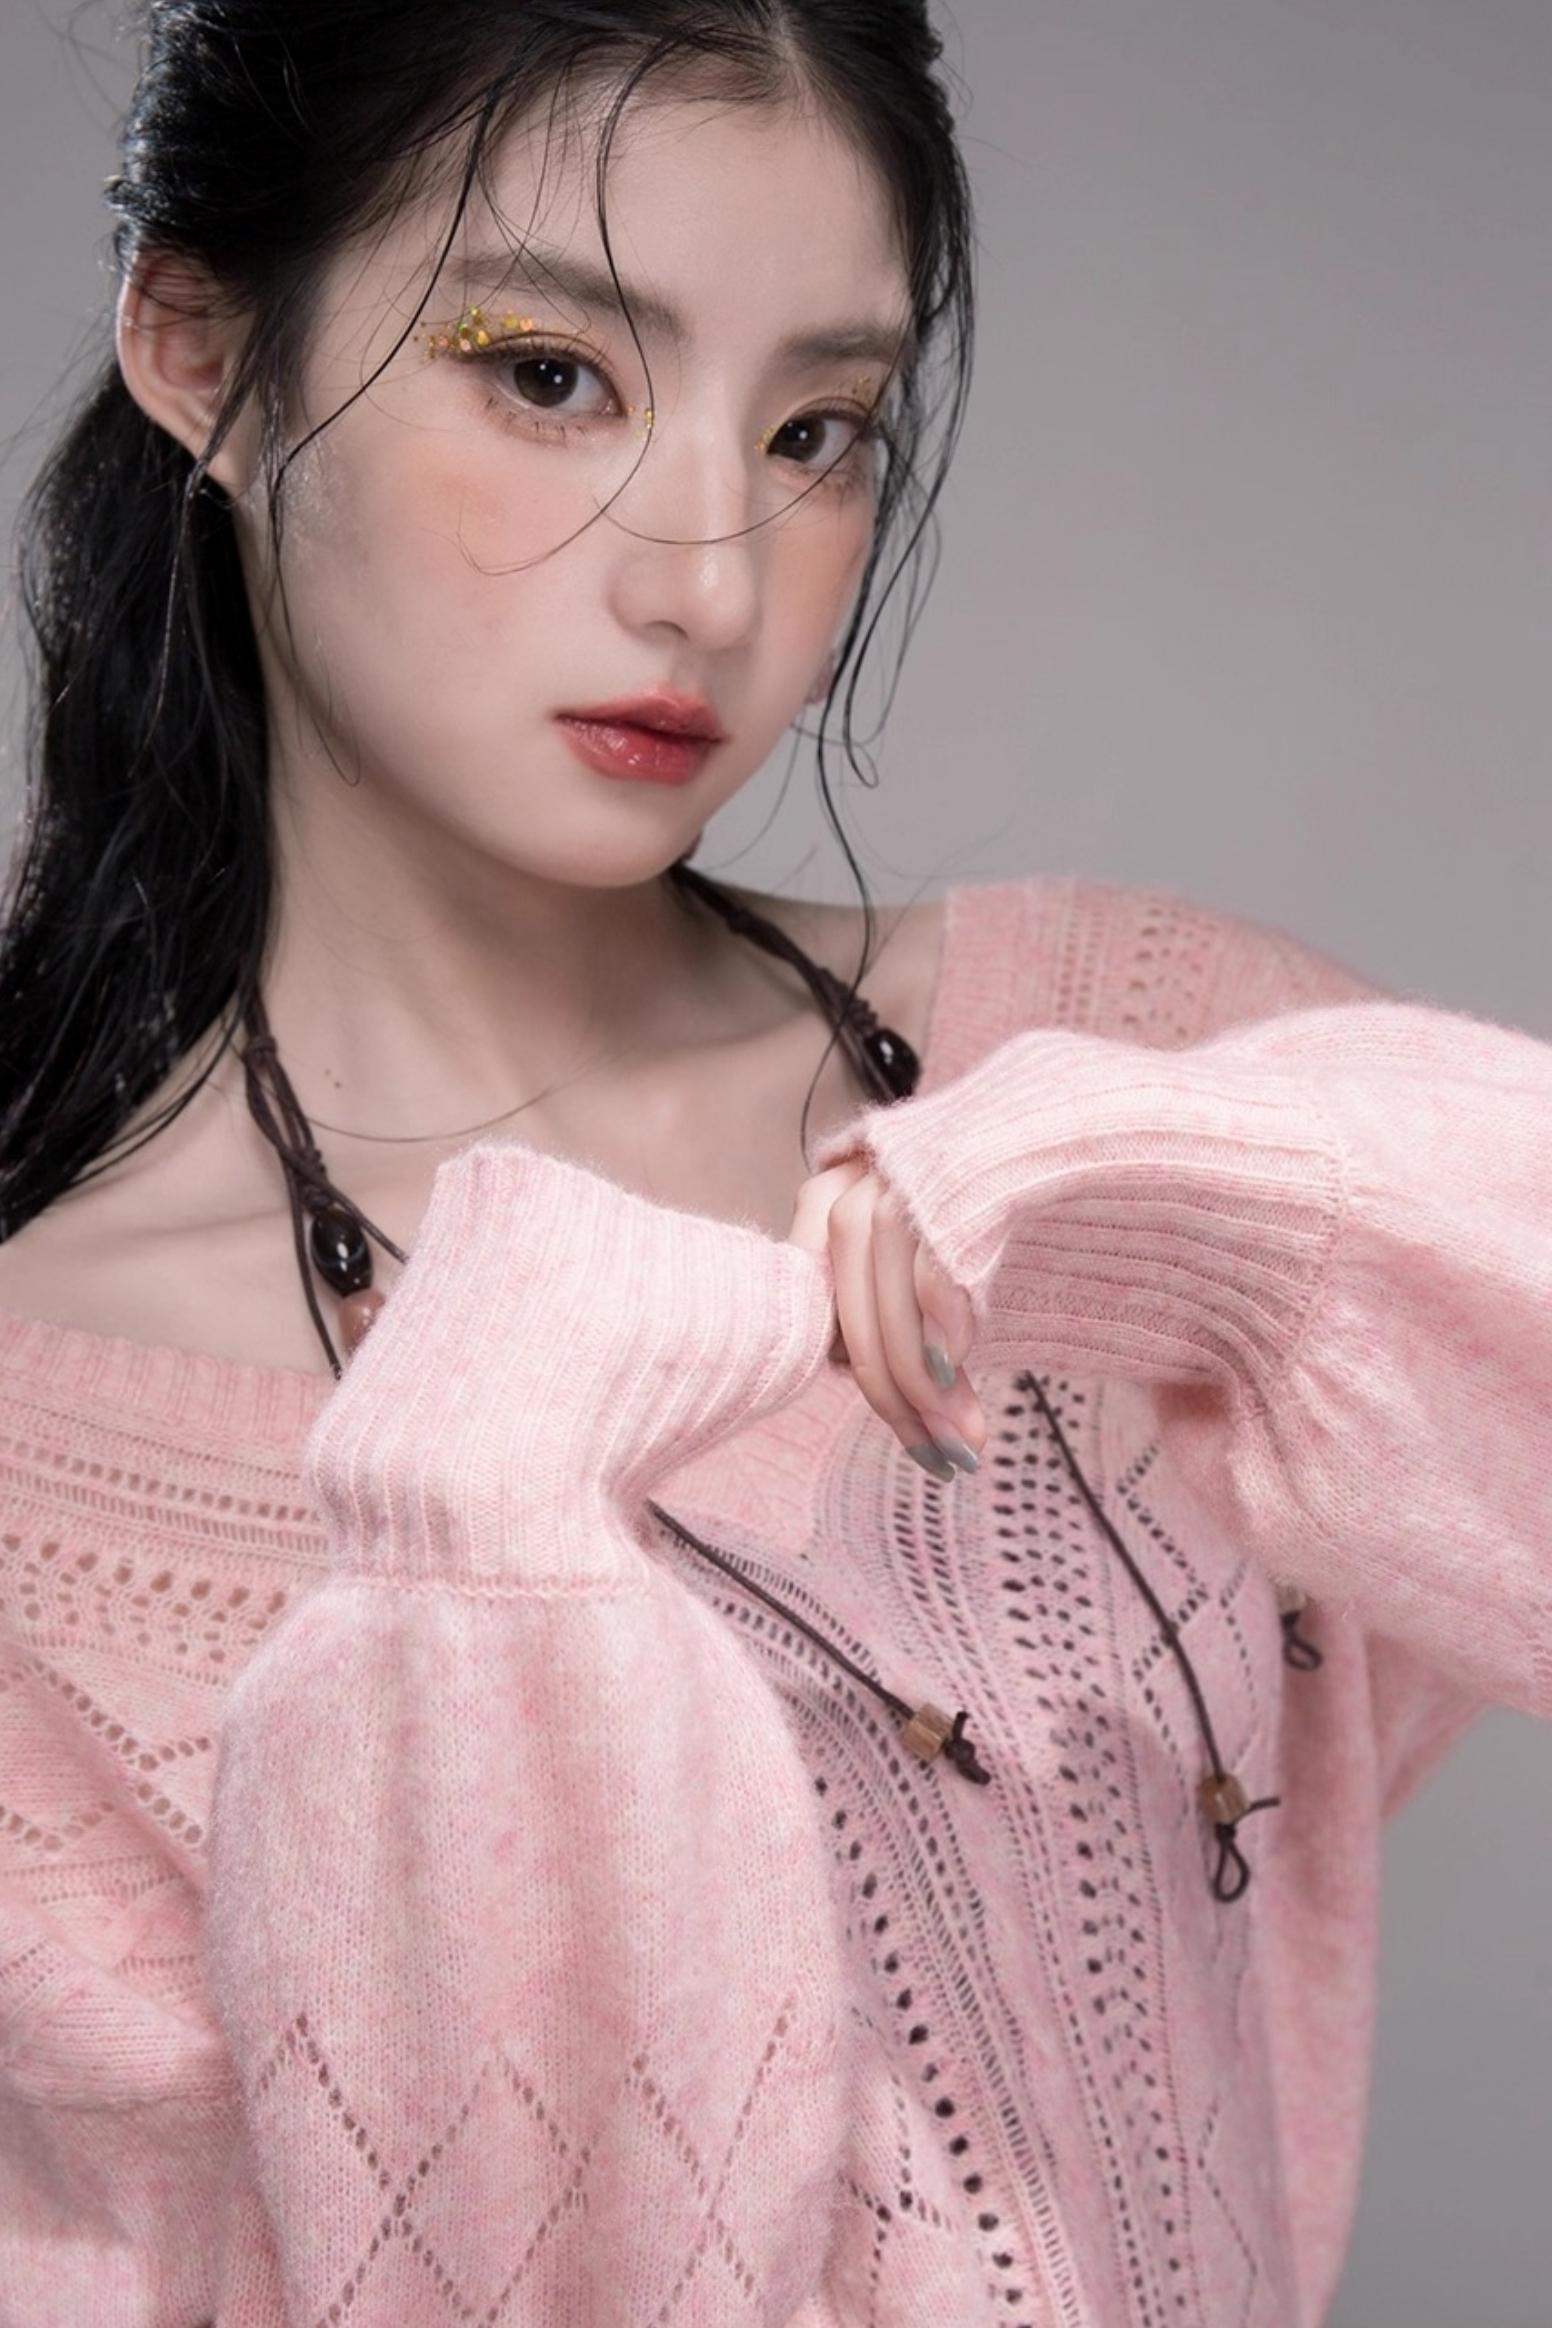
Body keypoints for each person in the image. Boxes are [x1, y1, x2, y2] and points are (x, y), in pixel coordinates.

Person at [0, 4, 1546, 2323]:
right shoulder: (42, 1456)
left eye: (815, 431)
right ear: (204, 354)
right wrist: (477, 1565)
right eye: (548, 378)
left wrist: (1214, 1237)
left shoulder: (1138, 1064)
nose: (711, 582)